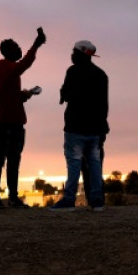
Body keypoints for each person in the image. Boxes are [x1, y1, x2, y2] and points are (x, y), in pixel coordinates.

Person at [0, 27, 46, 208]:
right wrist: (36, 45)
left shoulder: (8, 69)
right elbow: (23, 65)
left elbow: (11, 96)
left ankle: (10, 197)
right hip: (7, 122)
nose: (19, 49)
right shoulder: (3, 65)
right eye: (15, 47)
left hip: (12, 122)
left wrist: (27, 94)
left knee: (11, 160)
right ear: (8, 52)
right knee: (1, 160)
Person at [51, 40, 109, 212]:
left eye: (74, 52)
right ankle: (97, 201)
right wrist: (102, 128)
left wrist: (65, 93)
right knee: (95, 163)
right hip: (95, 128)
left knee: (74, 163)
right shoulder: (101, 75)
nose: (72, 55)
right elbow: (104, 105)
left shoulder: (73, 71)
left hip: (75, 127)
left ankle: (69, 200)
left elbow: (66, 95)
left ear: (81, 54)